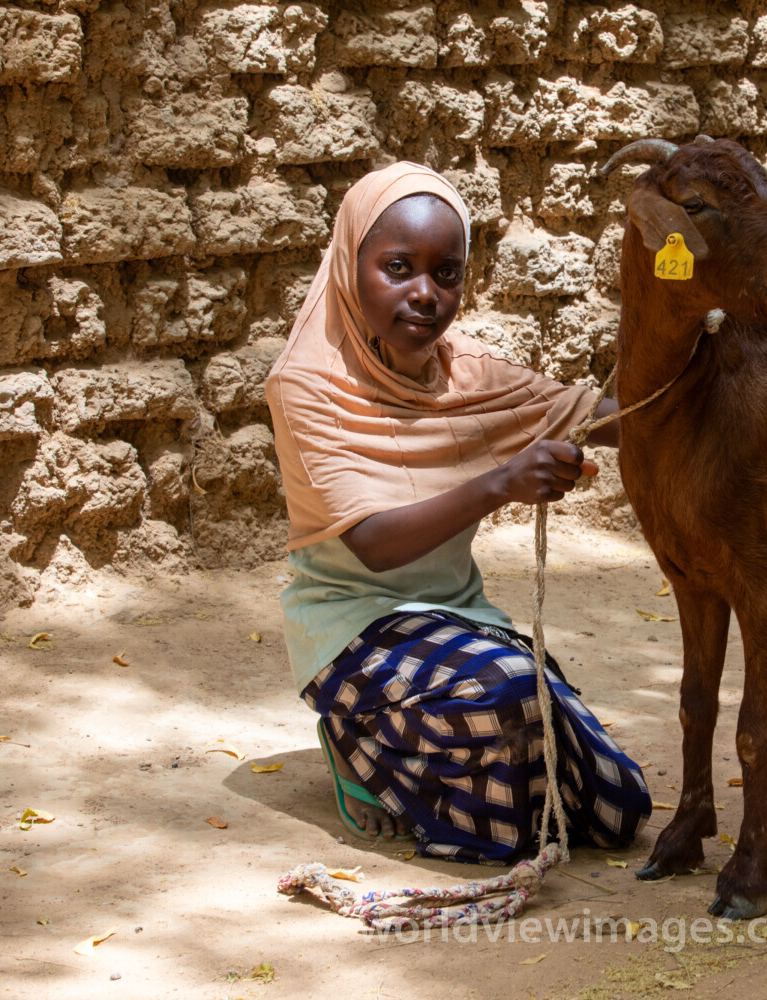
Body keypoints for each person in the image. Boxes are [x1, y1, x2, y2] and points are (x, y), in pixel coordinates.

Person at [264, 162, 651, 864]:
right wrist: (503, 480)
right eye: (398, 268)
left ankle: (411, 736)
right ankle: (356, 740)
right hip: (353, 630)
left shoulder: (470, 375)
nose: (424, 294)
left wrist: (695, 366)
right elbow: (375, 545)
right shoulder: (306, 385)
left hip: (460, 622)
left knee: (618, 805)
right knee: (506, 717)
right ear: (351, 267)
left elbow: (609, 417)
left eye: (446, 274)